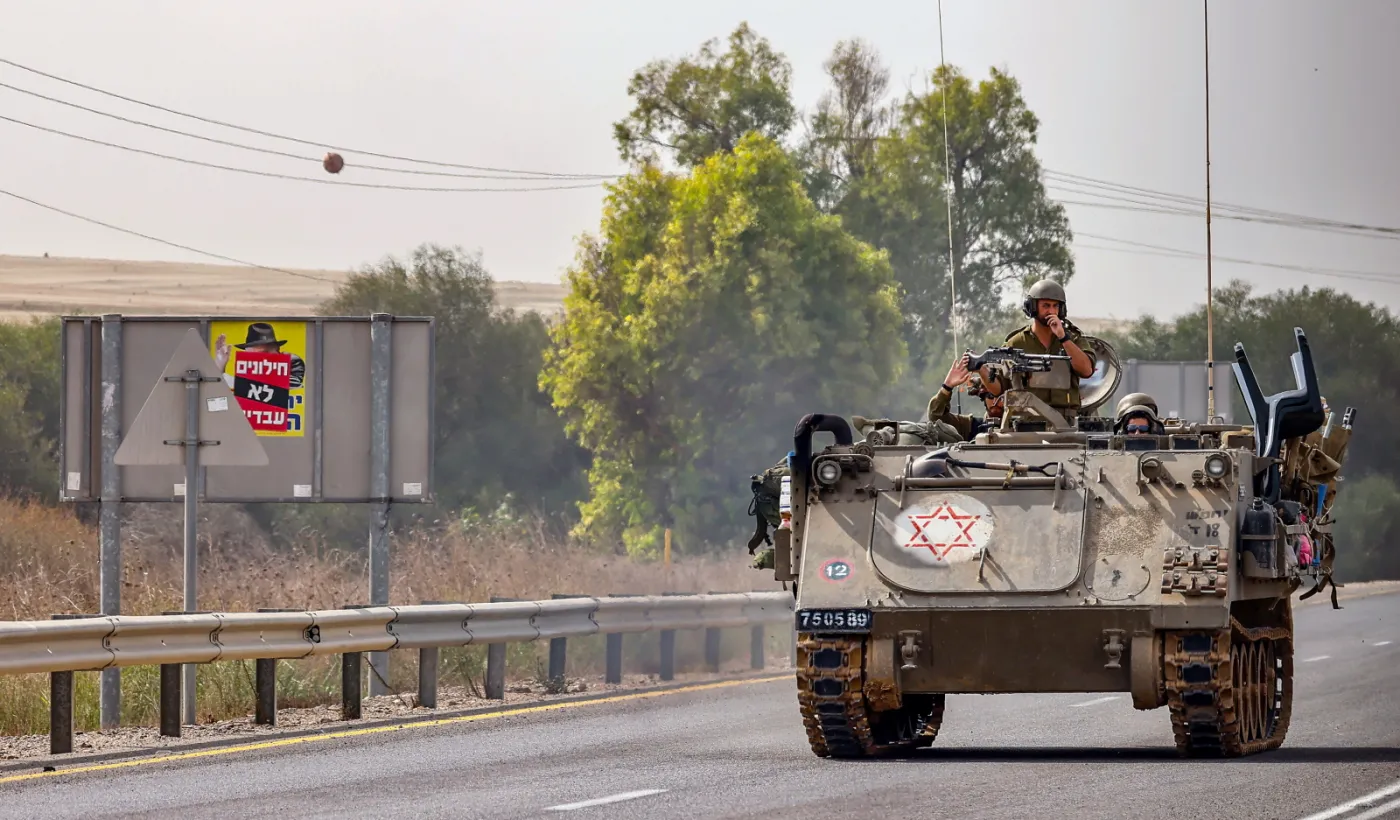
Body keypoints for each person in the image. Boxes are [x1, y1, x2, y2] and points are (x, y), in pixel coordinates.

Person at [982, 279, 1096, 418]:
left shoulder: (1072, 338)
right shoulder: (1017, 342)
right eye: (1046, 306)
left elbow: (1086, 370)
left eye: (1055, 306)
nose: (1051, 311)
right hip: (1027, 422)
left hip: (1065, 421)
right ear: (1033, 307)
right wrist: (979, 369)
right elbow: (998, 388)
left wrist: (1063, 337)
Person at [927, 353, 1005, 440]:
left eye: (1001, 398)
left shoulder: (1021, 427)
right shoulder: (970, 427)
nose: (995, 401)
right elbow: (936, 417)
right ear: (983, 397)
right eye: (990, 396)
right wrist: (947, 387)